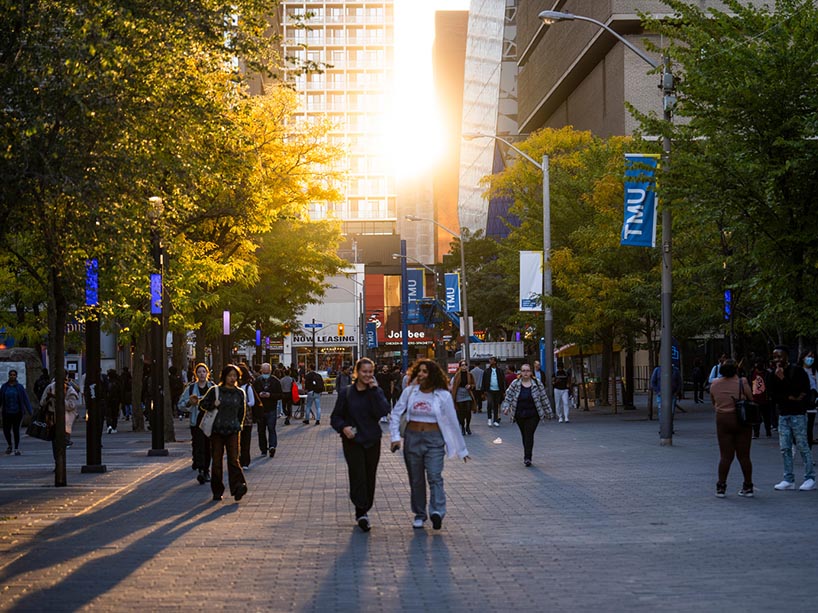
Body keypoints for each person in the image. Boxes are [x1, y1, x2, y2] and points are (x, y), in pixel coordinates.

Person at [390, 359, 470, 530]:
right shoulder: (410, 392)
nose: (421, 374)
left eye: (425, 371)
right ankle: (419, 514)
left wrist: (462, 449)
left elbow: (453, 422)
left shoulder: (443, 395)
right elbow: (396, 414)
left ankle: (437, 512)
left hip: (434, 440)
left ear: (432, 374)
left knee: (434, 476)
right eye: (419, 371)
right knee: (416, 479)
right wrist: (395, 437)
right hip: (412, 439)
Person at [330, 358, 390, 532]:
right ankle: (361, 511)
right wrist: (343, 428)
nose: (367, 375)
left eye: (370, 372)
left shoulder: (375, 391)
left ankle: (365, 506)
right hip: (353, 441)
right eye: (364, 371)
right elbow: (335, 417)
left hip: (372, 440)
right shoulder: (346, 393)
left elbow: (383, 411)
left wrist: (375, 391)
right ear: (357, 372)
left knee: (370, 476)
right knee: (358, 475)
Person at [198, 364, 248, 502]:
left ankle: (238, 486)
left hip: (232, 430)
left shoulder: (239, 393)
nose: (232, 378)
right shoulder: (215, 391)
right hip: (217, 431)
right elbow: (202, 404)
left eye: (235, 376)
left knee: (233, 459)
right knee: (217, 461)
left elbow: (241, 412)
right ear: (224, 377)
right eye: (230, 376)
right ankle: (217, 490)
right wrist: (214, 404)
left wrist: (239, 425)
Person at [766, 346, 814, 491]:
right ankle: (788, 479)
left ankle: (810, 477)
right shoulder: (771, 374)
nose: (777, 360)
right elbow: (773, 394)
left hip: (798, 413)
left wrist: (783, 380)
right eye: (775, 357)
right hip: (783, 414)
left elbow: (800, 391)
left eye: (780, 356)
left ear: (787, 356)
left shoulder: (797, 371)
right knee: (785, 447)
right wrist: (788, 396)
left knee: (802, 445)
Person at [709, 359, 754, 498]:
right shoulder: (742, 382)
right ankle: (748, 486)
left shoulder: (715, 384)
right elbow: (751, 398)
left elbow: (713, 401)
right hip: (741, 420)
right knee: (744, 456)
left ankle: (721, 487)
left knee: (725, 456)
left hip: (723, 420)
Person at [501, 363, 552, 466]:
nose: (525, 373)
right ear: (520, 372)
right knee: (524, 435)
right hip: (519, 414)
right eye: (523, 371)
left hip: (533, 414)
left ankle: (527, 457)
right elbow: (508, 396)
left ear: (531, 372)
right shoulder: (515, 383)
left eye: (527, 371)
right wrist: (506, 408)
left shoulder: (537, 384)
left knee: (529, 433)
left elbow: (543, 398)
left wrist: (548, 412)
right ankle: (527, 453)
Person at [177, 363, 215, 485]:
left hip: (209, 420)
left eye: (204, 371)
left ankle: (206, 469)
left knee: (208, 446)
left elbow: (219, 401)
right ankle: (200, 469)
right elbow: (181, 405)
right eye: (199, 372)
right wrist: (190, 403)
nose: (202, 374)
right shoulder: (191, 388)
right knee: (198, 445)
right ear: (195, 374)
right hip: (196, 421)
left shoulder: (212, 387)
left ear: (207, 373)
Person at [41, 375, 80, 456]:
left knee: (61, 443)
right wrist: (48, 399)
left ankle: (60, 461)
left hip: (65, 422)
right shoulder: (50, 388)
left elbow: (71, 405)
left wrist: (59, 400)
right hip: (53, 419)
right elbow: (42, 403)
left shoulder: (70, 390)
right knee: (55, 443)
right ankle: (58, 462)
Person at [1, 369, 33, 455]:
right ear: (9, 376)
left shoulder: (19, 387)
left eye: (14, 375)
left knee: (16, 430)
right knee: (6, 430)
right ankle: (9, 445)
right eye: (11, 375)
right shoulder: (4, 387)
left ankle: (16, 448)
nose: (12, 376)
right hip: (6, 412)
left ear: (16, 376)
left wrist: (30, 412)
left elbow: (25, 399)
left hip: (17, 412)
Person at [253, 362, 282, 457]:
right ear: (261, 371)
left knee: (271, 428)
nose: (265, 374)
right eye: (264, 372)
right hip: (260, 409)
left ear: (270, 371)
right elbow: (253, 393)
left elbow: (280, 395)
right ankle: (263, 449)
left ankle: (272, 446)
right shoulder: (257, 381)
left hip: (271, 408)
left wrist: (271, 395)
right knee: (261, 430)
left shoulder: (275, 381)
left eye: (267, 372)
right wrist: (259, 395)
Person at [237, 364, 257, 470]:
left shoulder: (248, 387)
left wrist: (242, 404)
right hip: (236, 417)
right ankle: (238, 459)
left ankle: (245, 460)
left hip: (247, 418)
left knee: (245, 440)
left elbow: (252, 402)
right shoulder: (235, 387)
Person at [449, 360, 476, 435]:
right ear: (460, 366)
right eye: (462, 365)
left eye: (465, 365)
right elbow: (454, 386)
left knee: (468, 410)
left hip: (467, 393)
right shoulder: (457, 375)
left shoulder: (470, 375)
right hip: (459, 394)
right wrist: (453, 396)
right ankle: (462, 427)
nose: (464, 366)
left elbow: (474, 385)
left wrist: (470, 386)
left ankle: (468, 426)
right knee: (460, 412)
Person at [798, 350, 817, 448]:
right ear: (803, 357)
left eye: (813, 356)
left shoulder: (815, 371)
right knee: (800, 428)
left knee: (809, 428)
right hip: (800, 403)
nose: (811, 358)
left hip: (812, 403)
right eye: (809, 356)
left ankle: (808, 451)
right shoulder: (798, 371)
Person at [480, 357, 506, 428]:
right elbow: (484, 381)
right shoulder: (487, 371)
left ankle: (495, 420)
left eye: (491, 360)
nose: (490, 361)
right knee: (489, 403)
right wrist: (483, 390)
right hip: (489, 390)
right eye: (489, 360)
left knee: (496, 405)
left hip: (498, 390)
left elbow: (503, 381)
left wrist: (503, 391)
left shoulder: (500, 371)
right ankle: (489, 419)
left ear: (495, 362)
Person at [750, 360, 772, 439]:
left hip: (765, 399)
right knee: (756, 417)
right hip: (755, 399)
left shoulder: (767, 374)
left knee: (767, 417)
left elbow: (770, 385)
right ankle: (756, 433)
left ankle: (768, 432)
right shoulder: (752, 373)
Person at [104, 369, 122, 434]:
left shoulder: (107, 383)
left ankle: (109, 426)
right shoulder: (117, 382)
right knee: (114, 415)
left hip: (108, 401)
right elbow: (120, 392)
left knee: (109, 415)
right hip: (115, 401)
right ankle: (113, 427)